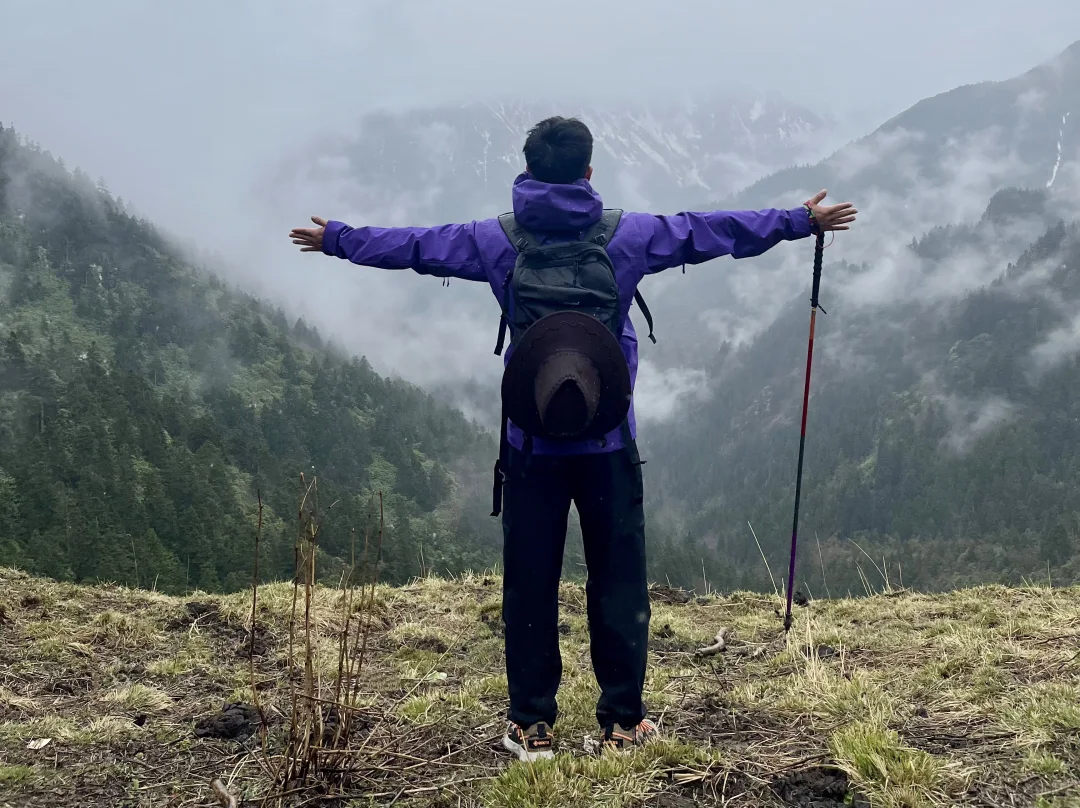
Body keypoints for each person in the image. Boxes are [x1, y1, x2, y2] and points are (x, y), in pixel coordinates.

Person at [290, 115, 856, 760]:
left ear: (527, 172)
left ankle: (532, 725)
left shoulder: (493, 240)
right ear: (589, 172)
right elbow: (710, 230)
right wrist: (798, 220)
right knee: (618, 580)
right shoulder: (629, 236)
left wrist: (337, 238)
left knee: (530, 583)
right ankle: (622, 723)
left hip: (530, 444)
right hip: (609, 441)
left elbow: (416, 246)